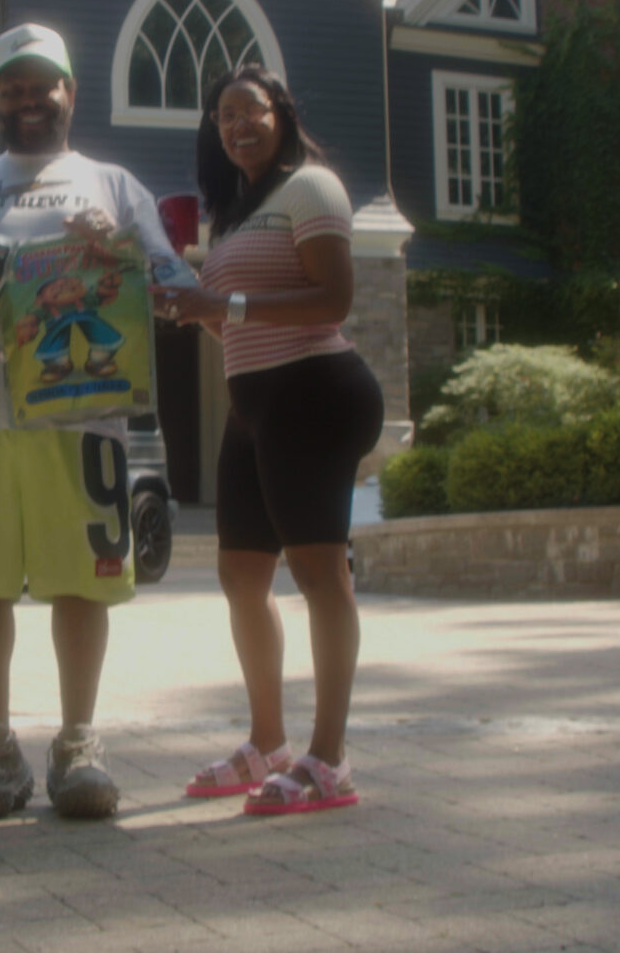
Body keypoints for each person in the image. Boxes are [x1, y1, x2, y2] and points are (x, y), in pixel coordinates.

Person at [0, 22, 192, 821]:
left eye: (42, 84)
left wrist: (121, 252)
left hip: (79, 418)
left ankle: (77, 744)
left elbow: (169, 284)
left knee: (78, 586)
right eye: (12, 87)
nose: (28, 100)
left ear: (70, 93)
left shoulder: (114, 183)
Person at [151, 64, 383, 815]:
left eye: (250, 110)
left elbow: (334, 299)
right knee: (242, 578)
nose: (236, 126)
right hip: (255, 409)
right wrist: (195, 310)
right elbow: (238, 320)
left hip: (315, 392)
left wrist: (226, 302)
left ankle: (330, 760)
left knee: (321, 577)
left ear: (281, 113)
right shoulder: (237, 212)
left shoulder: (311, 187)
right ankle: (268, 743)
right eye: (223, 116)